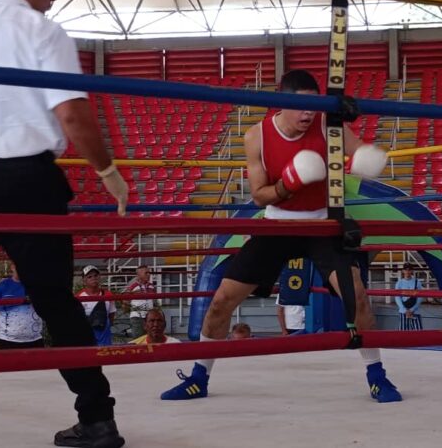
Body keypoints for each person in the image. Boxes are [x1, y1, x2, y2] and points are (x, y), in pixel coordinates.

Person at [0, 0, 127, 448]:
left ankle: (97, 420)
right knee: (56, 302)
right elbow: (72, 115)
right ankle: (97, 420)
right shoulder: (41, 31)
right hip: (30, 181)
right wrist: (109, 171)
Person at [160, 69, 401, 403]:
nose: (307, 114)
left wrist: (365, 156)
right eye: (300, 106)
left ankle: (378, 376)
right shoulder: (256, 136)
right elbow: (259, 196)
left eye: (313, 107)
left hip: (322, 224)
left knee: (357, 295)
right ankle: (198, 377)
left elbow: (361, 150)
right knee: (220, 301)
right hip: (276, 224)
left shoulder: (329, 126)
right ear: (280, 102)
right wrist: (289, 182)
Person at [0, 261, 44, 349]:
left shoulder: (38, 286)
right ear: (12, 267)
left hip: (35, 340)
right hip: (7, 342)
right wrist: (3, 330)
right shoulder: (2, 287)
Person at [77, 265, 117, 346]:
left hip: (104, 334)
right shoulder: (78, 297)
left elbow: (112, 314)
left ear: (99, 277)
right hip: (86, 334)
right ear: (84, 280)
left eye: (95, 275)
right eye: (89, 276)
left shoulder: (108, 294)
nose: (93, 278)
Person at [122, 264, 156, 338]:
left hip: (149, 317)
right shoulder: (133, 286)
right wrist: (133, 311)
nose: (149, 275)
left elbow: (154, 301)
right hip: (137, 317)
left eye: (149, 273)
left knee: (150, 338)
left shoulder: (151, 286)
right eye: (146, 273)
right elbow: (125, 301)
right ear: (139, 275)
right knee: (139, 339)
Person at [394, 262, 423, 330]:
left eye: (409, 269)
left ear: (412, 271)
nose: (407, 271)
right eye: (406, 269)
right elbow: (397, 297)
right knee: (403, 333)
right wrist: (404, 310)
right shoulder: (399, 283)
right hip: (403, 311)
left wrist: (412, 310)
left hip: (415, 311)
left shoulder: (417, 282)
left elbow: (420, 297)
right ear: (403, 271)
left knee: (418, 332)